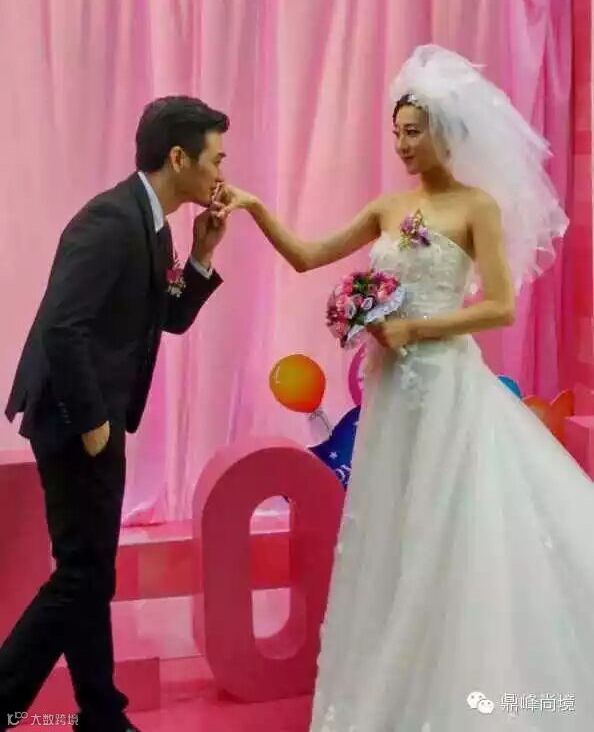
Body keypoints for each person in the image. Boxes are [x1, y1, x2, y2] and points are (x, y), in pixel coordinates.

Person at [216, 46, 594, 730]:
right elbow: (307, 255)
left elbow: (500, 307)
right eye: (396, 132)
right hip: (392, 391)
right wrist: (255, 207)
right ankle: (402, 684)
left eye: (413, 131)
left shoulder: (476, 207)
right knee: (393, 528)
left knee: (448, 529)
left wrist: (417, 329)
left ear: (445, 132)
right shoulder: (388, 206)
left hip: (447, 385)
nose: (402, 145)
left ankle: (464, 691)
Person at [1, 96, 231, 732]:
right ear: (179, 157)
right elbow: (63, 328)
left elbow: (170, 318)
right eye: (216, 159)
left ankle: (101, 713)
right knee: (82, 576)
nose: (222, 173)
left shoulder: (152, 223)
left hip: (92, 416)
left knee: (88, 572)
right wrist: (94, 424)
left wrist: (202, 255)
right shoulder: (109, 220)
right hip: (75, 418)